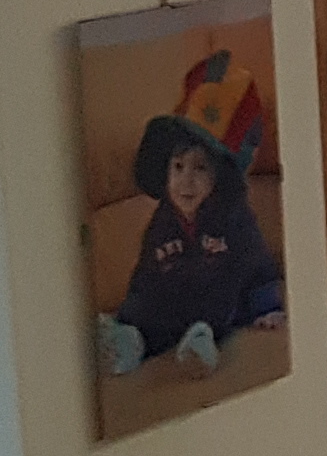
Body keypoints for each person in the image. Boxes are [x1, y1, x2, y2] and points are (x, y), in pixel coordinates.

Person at [99, 113, 285, 377]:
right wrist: (130, 315)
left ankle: (199, 344)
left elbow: (258, 264)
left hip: (219, 304)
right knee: (145, 314)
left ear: (218, 177)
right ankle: (127, 342)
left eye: (200, 168)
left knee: (215, 310)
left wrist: (268, 308)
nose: (186, 181)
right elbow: (146, 275)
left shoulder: (234, 217)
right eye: (178, 167)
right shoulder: (163, 221)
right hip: (171, 305)